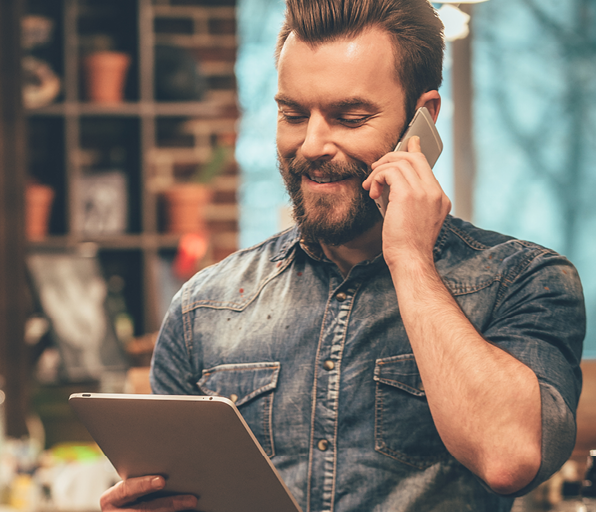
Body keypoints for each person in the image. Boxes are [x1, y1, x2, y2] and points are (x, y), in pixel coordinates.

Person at [100, 0, 586, 510]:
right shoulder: (204, 306)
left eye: (349, 117)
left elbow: (508, 456)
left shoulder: (527, 280)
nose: (311, 145)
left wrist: (411, 261)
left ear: (424, 120)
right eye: (292, 114)